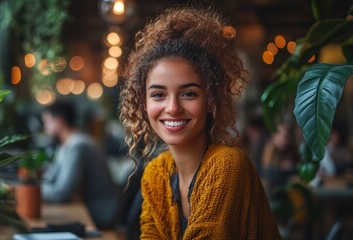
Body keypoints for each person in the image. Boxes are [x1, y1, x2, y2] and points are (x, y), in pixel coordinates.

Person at [119, 6, 281, 239]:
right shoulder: (156, 174)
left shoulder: (227, 166)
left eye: (189, 94)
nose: (172, 107)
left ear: (210, 101)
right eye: (158, 95)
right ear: (143, 104)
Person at [41, 100, 121, 229]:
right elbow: (53, 178)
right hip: (89, 207)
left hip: (101, 213)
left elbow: (61, 193)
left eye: (47, 122)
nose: (45, 128)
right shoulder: (67, 144)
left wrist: (26, 190)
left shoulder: (78, 145)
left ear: (59, 121)